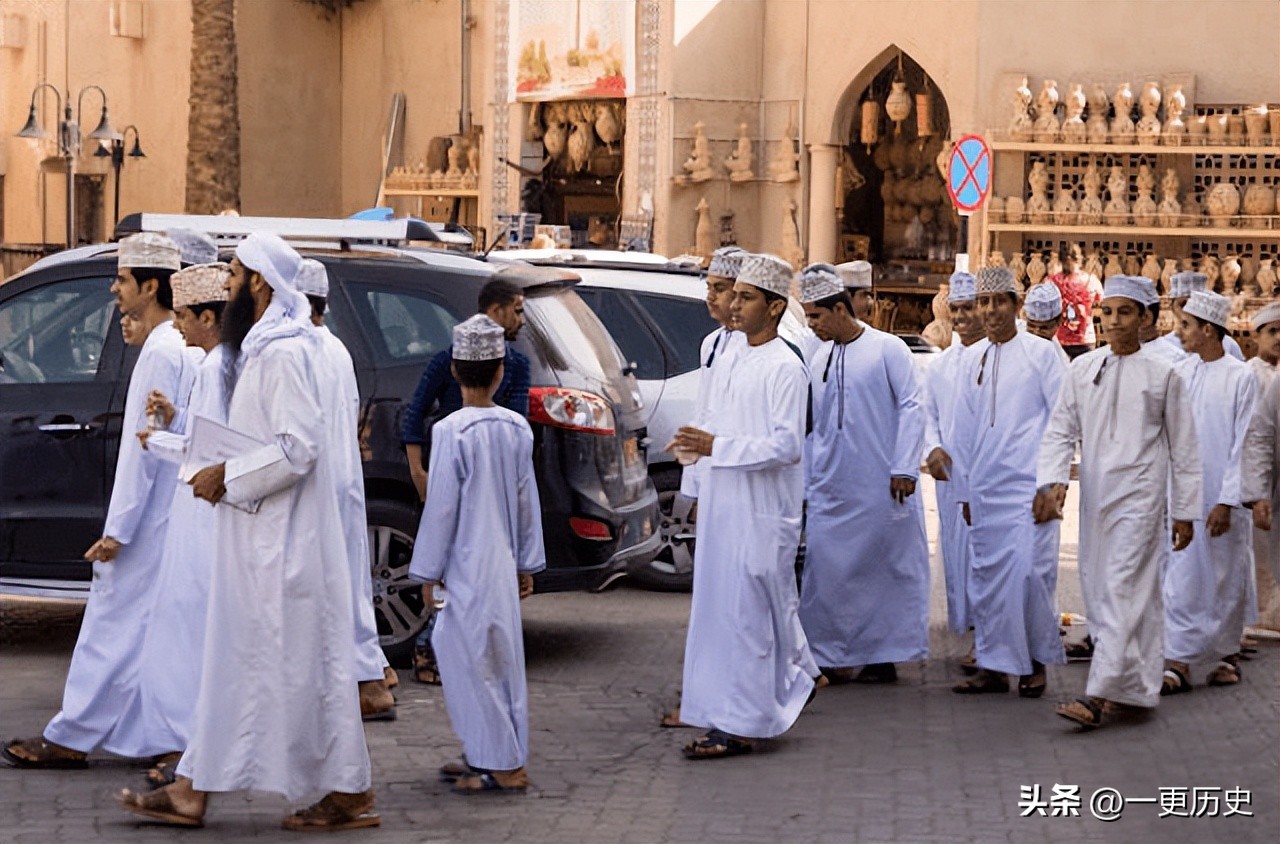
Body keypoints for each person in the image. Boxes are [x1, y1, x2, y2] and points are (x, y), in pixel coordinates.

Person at [116, 233, 377, 831]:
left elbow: (297, 448)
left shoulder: (284, 354)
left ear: (258, 283)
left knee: (309, 672)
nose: (228, 288)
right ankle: (191, 789)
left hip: (284, 547)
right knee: (234, 665)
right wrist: (196, 455)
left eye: (233, 277)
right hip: (259, 542)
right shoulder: (266, 349)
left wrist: (226, 477)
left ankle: (349, 794)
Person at [3, 233, 199, 770]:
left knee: (110, 624)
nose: (114, 290)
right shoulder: (173, 347)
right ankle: (158, 737)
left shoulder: (162, 351)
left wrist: (119, 530)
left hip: (149, 520)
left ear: (151, 286)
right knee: (154, 631)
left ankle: (71, 735)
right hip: (168, 517)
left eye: (122, 280)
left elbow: (144, 449)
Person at [1036, 275, 1201, 730]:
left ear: (1147, 318)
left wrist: (1186, 510)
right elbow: (1059, 430)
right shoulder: (1083, 368)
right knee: (1108, 591)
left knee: (1124, 589)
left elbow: (1185, 449)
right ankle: (1134, 691)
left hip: (1142, 500)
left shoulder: (1164, 374)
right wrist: (1051, 482)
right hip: (1097, 498)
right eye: (1106, 312)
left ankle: (1097, 692)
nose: (1112, 321)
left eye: (1124, 312)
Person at [669, 252, 817, 759]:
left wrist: (718, 449)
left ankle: (748, 721)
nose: (733, 305)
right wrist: (694, 451)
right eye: (733, 295)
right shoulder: (731, 356)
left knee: (750, 618)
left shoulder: (785, 366)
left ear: (775, 307)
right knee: (719, 616)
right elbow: (720, 424)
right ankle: (721, 713)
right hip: (724, 507)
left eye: (746, 297)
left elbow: (786, 445)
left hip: (761, 514)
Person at [407, 314, 545, 793]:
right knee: (496, 659)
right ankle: (487, 751)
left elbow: (442, 508)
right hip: (501, 561)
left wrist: (427, 572)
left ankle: (504, 765)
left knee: (469, 658)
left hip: (467, 564)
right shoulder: (516, 428)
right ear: (501, 372)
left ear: (454, 371)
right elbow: (528, 499)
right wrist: (528, 562)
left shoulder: (451, 432)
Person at [798, 263, 929, 686]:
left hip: (880, 484)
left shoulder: (888, 348)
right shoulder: (817, 355)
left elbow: (912, 405)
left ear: (840, 308)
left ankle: (880, 656)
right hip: (831, 484)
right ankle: (831, 654)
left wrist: (904, 466)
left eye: (816, 316)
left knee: (879, 571)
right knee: (829, 572)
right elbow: (811, 421)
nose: (811, 325)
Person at [132, 263, 233, 789]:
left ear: (209, 317)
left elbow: (215, 451)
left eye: (185, 317)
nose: (177, 326)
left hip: (205, 514)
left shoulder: (221, 367)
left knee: (190, 630)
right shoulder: (218, 364)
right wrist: (174, 420)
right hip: (200, 510)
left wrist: (162, 440)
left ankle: (192, 752)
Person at [401, 276, 531, 684]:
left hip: (493, 487)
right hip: (453, 478)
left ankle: (477, 650)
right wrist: (419, 471)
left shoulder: (517, 376)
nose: (522, 319)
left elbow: (519, 446)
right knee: (454, 567)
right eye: (518, 309)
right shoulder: (448, 419)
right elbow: (415, 413)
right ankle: (433, 646)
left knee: (485, 572)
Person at [952, 267, 1067, 698]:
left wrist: (1054, 483)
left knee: (1030, 576)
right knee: (987, 577)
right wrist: (964, 489)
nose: (990, 310)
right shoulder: (973, 357)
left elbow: (1063, 418)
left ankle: (1035, 663)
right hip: (985, 488)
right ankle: (994, 665)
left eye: (999, 301)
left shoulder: (1042, 353)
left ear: (1016, 307)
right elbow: (963, 431)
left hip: (1030, 487)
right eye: (984, 302)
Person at [294, 258, 397, 719]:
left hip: (317, 487)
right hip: (343, 483)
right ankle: (370, 672)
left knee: (331, 590)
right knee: (349, 586)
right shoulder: (334, 348)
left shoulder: (301, 350)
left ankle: (366, 681)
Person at [1160, 290, 1256, 693]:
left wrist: (1227, 500)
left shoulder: (1241, 376)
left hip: (1223, 498)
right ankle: (1178, 661)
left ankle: (1226, 656)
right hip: (1183, 494)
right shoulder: (1183, 372)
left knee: (1224, 576)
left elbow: (1245, 444)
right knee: (1181, 575)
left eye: (1186, 326)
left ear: (1208, 330)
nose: (1178, 332)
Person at [922, 272, 982, 646]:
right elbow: (927, 414)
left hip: (988, 473)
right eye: (955, 309)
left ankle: (989, 627)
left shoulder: (995, 356)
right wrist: (932, 447)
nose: (960, 316)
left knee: (987, 550)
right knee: (956, 549)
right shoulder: (941, 365)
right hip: (950, 472)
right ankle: (963, 624)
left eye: (968, 308)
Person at [677, 246, 749, 504]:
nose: (710, 296)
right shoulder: (712, 342)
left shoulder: (756, 347)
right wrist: (692, 483)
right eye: (709, 288)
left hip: (739, 471)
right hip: (708, 467)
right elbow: (704, 409)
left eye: (719, 289)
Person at [1244, 301, 1280, 632]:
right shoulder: (1248, 375)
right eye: (1272, 331)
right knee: (1259, 545)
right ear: (1257, 336)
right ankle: (1260, 613)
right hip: (1259, 474)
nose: (1278, 337)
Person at [1159, 271, 1245, 361]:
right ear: (1172, 307)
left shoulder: (1228, 344)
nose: (1189, 310)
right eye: (1183, 304)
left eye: (1193, 305)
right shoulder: (1165, 346)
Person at [1047, 244, 1100, 359]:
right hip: (1085, 338)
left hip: (1059, 339)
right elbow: (1100, 301)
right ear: (1080, 258)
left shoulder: (1051, 281)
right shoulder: (1091, 280)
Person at [1023, 281, 1071, 364]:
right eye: (1031, 325)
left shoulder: (1060, 360)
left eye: (1044, 328)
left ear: (1059, 321)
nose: (1036, 332)